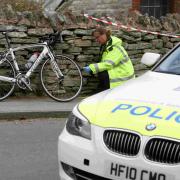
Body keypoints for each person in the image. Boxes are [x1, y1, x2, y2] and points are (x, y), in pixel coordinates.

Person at [83, 27, 135, 92]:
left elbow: (109, 64)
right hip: (118, 72)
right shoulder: (106, 46)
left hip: (124, 77)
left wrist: (92, 67)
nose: (96, 40)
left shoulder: (115, 47)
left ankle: (105, 92)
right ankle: (102, 91)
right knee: (101, 73)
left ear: (104, 34)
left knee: (102, 73)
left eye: (97, 37)